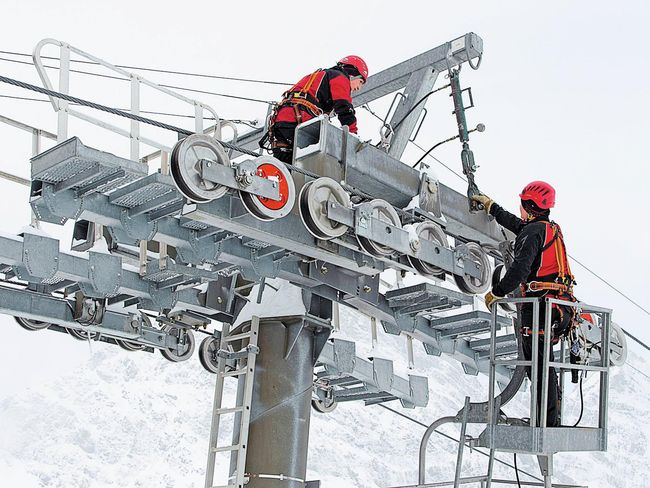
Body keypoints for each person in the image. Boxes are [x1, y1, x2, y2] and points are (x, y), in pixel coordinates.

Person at [472, 181, 576, 427]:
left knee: (538, 365)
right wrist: (492, 208)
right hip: (556, 306)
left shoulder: (533, 232)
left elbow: (519, 269)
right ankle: (549, 418)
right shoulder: (549, 228)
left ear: (529, 206)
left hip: (539, 306)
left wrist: (496, 292)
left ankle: (547, 421)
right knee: (543, 363)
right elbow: (519, 227)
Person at [259, 55, 368, 164]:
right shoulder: (340, 77)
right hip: (299, 121)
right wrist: (353, 136)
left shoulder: (319, 75)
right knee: (315, 162)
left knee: (283, 164)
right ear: (352, 74)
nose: (359, 88)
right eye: (360, 82)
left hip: (282, 121)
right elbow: (344, 108)